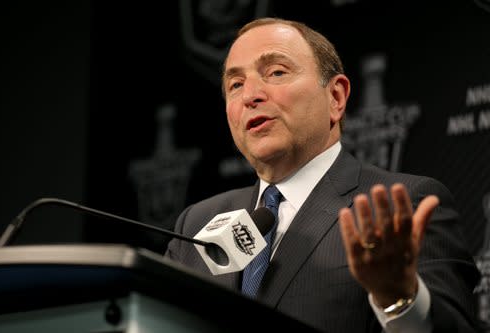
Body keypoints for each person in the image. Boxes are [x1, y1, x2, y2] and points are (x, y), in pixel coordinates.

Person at [165, 17, 480, 332]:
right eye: (235, 85)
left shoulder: (403, 208)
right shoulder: (196, 224)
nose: (251, 95)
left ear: (336, 98)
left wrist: (399, 298)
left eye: (276, 72)